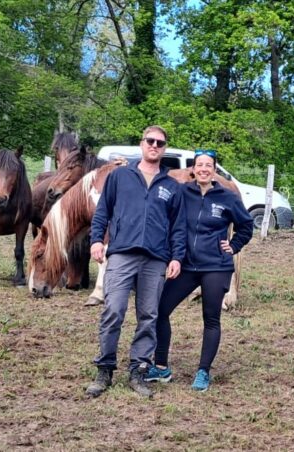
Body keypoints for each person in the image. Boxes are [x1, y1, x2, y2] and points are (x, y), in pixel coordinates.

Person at [85, 125, 187, 399]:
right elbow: (103, 211)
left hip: (155, 260)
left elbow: (178, 226)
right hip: (121, 254)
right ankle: (104, 369)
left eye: (160, 143)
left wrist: (177, 256)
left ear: (164, 149)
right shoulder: (120, 176)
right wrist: (97, 240)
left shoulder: (171, 186)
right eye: (150, 141)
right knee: (113, 310)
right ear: (142, 144)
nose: (154, 145)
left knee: (148, 316)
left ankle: (138, 371)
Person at [145, 148, 253, 392]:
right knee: (161, 310)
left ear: (214, 170)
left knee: (211, 318)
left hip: (216, 266)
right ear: (193, 169)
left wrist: (233, 246)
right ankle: (161, 367)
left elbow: (246, 226)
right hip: (186, 265)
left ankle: (203, 371)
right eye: (199, 164)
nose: (204, 169)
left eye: (209, 165)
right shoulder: (182, 192)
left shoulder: (228, 198)